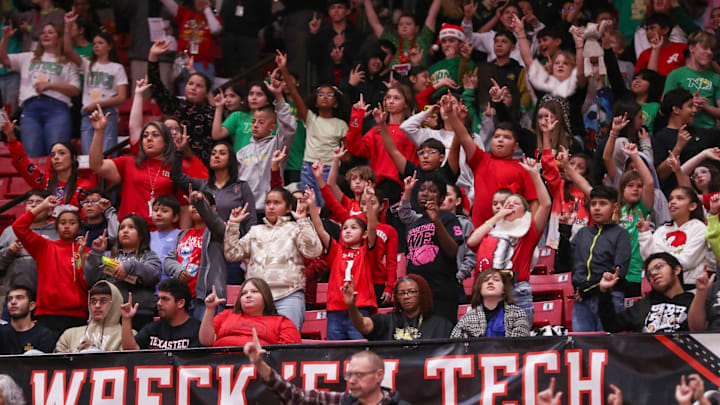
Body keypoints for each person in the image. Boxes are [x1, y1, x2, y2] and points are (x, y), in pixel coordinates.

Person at [466, 154, 551, 323]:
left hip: (516, 291)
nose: (510, 205)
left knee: (516, 344)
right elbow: (471, 242)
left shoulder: (528, 232)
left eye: (516, 203)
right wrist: (497, 217)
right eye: (507, 203)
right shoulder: (490, 231)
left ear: (525, 211)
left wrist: (534, 174)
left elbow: (546, 204)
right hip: (486, 292)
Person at [224, 187, 323, 329]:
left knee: (288, 345)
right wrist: (233, 225)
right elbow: (232, 254)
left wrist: (302, 221)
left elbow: (314, 251)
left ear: (289, 207)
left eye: (277, 203)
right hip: (258, 298)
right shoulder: (255, 231)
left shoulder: (295, 229)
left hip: (288, 295)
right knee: (257, 345)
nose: (271, 207)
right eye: (268, 203)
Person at [245, 335, 409, 405]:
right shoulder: (343, 401)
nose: (352, 381)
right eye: (349, 375)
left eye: (359, 375)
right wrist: (260, 364)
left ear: (379, 375)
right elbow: (296, 397)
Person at [278, 50, 348, 207]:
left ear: (336, 103)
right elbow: (294, 93)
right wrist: (283, 69)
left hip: (329, 168)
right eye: (321, 94)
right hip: (308, 167)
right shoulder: (310, 119)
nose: (324, 97)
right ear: (315, 102)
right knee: (308, 204)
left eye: (329, 95)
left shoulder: (341, 124)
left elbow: (346, 153)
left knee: (327, 205)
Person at [89, 105, 180, 227]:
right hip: (130, 231)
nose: (149, 139)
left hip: (162, 233)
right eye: (145, 136)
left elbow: (183, 206)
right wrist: (99, 132)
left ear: (166, 142)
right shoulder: (128, 162)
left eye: (155, 135)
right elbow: (96, 165)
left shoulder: (176, 166)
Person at [307, 186, 378, 340]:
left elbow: (372, 226)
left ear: (364, 234)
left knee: (358, 349)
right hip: (335, 309)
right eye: (344, 228)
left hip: (360, 307)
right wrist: (312, 205)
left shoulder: (366, 251)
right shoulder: (336, 251)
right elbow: (319, 228)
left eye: (354, 228)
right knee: (336, 352)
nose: (347, 231)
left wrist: (369, 202)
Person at [0, 23, 80, 157]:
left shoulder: (67, 62)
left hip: (57, 110)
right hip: (30, 111)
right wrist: (6, 38)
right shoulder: (28, 57)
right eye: (43, 32)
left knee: (57, 155)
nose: (45, 35)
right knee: (31, 156)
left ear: (58, 38)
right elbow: (3, 59)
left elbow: (75, 89)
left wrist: (50, 86)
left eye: (50, 32)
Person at [12, 195, 88, 335]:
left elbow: (86, 277)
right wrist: (43, 206)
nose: (66, 226)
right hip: (47, 314)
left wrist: (85, 256)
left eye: (72, 223)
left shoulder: (82, 252)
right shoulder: (44, 247)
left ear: (79, 228)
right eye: (62, 222)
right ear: (56, 226)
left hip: (77, 315)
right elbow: (19, 227)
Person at [401, 173, 464, 324]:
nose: (425, 193)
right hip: (417, 292)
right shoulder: (413, 224)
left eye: (432, 190)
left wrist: (436, 221)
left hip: (442, 291)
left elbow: (452, 251)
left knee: (442, 335)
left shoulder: (448, 218)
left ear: (441, 198)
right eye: (422, 189)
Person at [63, 11, 128, 154]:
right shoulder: (87, 65)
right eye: (94, 44)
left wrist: (98, 104)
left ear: (109, 46)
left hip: (107, 114)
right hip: (88, 113)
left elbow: (122, 97)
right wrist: (67, 27)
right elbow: (67, 50)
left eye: (100, 43)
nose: (96, 46)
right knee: (88, 157)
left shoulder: (117, 68)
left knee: (107, 156)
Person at [570, 186, 632, 332]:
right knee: (581, 348)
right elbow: (564, 264)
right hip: (581, 299)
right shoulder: (582, 233)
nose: (597, 208)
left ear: (614, 207)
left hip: (609, 297)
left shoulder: (621, 235)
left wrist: (588, 289)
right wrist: (565, 231)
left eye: (603, 204)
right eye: (593, 204)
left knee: (607, 347)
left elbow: (618, 271)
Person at [85, 215, 162, 331]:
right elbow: (91, 280)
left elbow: (154, 275)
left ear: (141, 235)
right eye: (122, 228)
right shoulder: (107, 256)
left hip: (141, 312)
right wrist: (96, 253)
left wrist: (129, 266)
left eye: (131, 227)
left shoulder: (149, 256)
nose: (125, 231)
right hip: (110, 314)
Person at [235, 75, 297, 217]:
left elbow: (289, 127)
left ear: (272, 127)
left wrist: (279, 97)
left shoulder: (277, 145)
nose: (255, 125)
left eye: (261, 122)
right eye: (254, 121)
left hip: (269, 209)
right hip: (245, 210)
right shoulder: (242, 152)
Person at [147, 39, 214, 163]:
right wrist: (153, 56)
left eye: (199, 86)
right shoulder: (176, 105)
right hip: (175, 165)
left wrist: (193, 71)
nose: (193, 87)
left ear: (206, 92)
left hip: (203, 170)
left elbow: (216, 105)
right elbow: (156, 86)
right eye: (190, 84)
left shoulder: (212, 112)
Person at [346, 88, 418, 204]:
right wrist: (356, 117)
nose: (390, 101)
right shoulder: (376, 131)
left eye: (396, 98)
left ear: (406, 104)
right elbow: (353, 147)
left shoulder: (413, 131)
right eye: (388, 98)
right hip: (379, 188)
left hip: (405, 187)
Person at [164, 189, 227, 320]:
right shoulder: (182, 234)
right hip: (182, 298)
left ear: (213, 208)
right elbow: (169, 260)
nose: (195, 207)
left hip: (207, 298)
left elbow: (216, 223)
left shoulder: (216, 232)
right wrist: (178, 270)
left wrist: (200, 204)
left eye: (200, 203)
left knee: (204, 339)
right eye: (192, 205)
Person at [2, 119, 93, 208]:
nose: (56, 157)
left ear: (73, 158)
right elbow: (21, 163)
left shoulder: (85, 186)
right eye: (53, 155)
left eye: (62, 153)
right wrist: (11, 137)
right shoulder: (44, 180)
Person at [171, 136, 256, 226]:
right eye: (213, 153)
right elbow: (176, 177)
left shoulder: (242, 187)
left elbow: (251, 219)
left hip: (233, 238)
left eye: (222, 153)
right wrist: (179, 151)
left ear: (231, 159)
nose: (216, 156)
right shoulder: (202, 185)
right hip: (206, 239)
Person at [599, 252, 693, 333]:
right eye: (649, 273)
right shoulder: (642, 305)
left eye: (659, 267)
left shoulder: (694, 302)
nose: (654, 273)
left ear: (676, 270)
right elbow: (611, 325)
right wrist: (604, 291)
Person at [0, 190, 57, 321]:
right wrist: (8, 252)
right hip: (15, 297)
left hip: (48, 300)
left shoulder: (57, 231)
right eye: (30, 203)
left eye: (38, 203)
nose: (33, 206)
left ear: (49, 210)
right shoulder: (10, 231)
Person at [344, 274, 452, 341]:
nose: (406, 296)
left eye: (412, 292)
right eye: (401, 293)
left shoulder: (440, 324)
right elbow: (363, 325)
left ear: (422, 294)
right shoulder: (387, 320)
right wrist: (352, 306)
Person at [639, 187, 708, 290]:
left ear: (692, 206)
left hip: (691, 288)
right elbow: (649, 258)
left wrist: (661, 253)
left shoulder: (699, 228)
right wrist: (645, 234)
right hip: (661, 289)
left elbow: (686, 261)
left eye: (680, 198)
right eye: (670, 199)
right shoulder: (662, 230)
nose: (673, 202)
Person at [199, 279, 301, 347]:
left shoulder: (282, 322)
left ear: (265, 296)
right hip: (222, 367)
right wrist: (210, 309)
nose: (248, 295)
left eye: (254, 292)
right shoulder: (226, 315)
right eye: (243, 293)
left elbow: (288, 355)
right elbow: (206, 341)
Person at [120, 279, 201, 350]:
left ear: (181, 303)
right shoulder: (152, 328)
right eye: (158, 298)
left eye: (165, 299)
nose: (158, 303)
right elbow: (130, 350)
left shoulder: (197, 330)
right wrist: (126, 319)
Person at [158, 0, 222, 87]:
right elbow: (169, 3)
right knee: (184, 93)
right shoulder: (185, 14)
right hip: (182, 61)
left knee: (202, 95)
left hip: (202, 64)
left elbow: (215, 30)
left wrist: (207, 10)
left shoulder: (214, 18)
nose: (199, 2)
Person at [663, 31, 720, 129]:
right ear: (691, 48)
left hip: (709, 131)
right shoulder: (676, 75)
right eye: (705, 48)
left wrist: (704, 106)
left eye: (712, 49)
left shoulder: (716, 78)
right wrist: (689, 102)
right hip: (682, 130)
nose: (710, 52)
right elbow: (664, 108)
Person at [362, 0, 442, 69]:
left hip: (418, 83)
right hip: (394, 84)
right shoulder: (392, 43)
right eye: (401, 24)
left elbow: (432, 15)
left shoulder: (423, 40)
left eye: (408, 24)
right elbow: (375, 23)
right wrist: (366, 1)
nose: (404, 26)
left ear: (416, 28)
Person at [451, 269, 530, 337]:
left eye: (496, 280)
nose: (490, 282)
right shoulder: (467, 319)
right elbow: (455, 348)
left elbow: (520, 345)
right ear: (480, 289)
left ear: (504, 289)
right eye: (485, 280)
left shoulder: (517, 314)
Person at [55, 280, 124, 353]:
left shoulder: (126, 336)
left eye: (103, 301)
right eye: (93, 301)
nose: (97, 306)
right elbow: (53, 362)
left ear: (115, 304)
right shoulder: (70, 335)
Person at [0, 285, 57, 354]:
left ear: (31, 306)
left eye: (19, 298)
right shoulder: (2, 332)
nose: (13, 302)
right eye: (10, 299)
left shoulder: (44, 335)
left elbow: (46, 363)